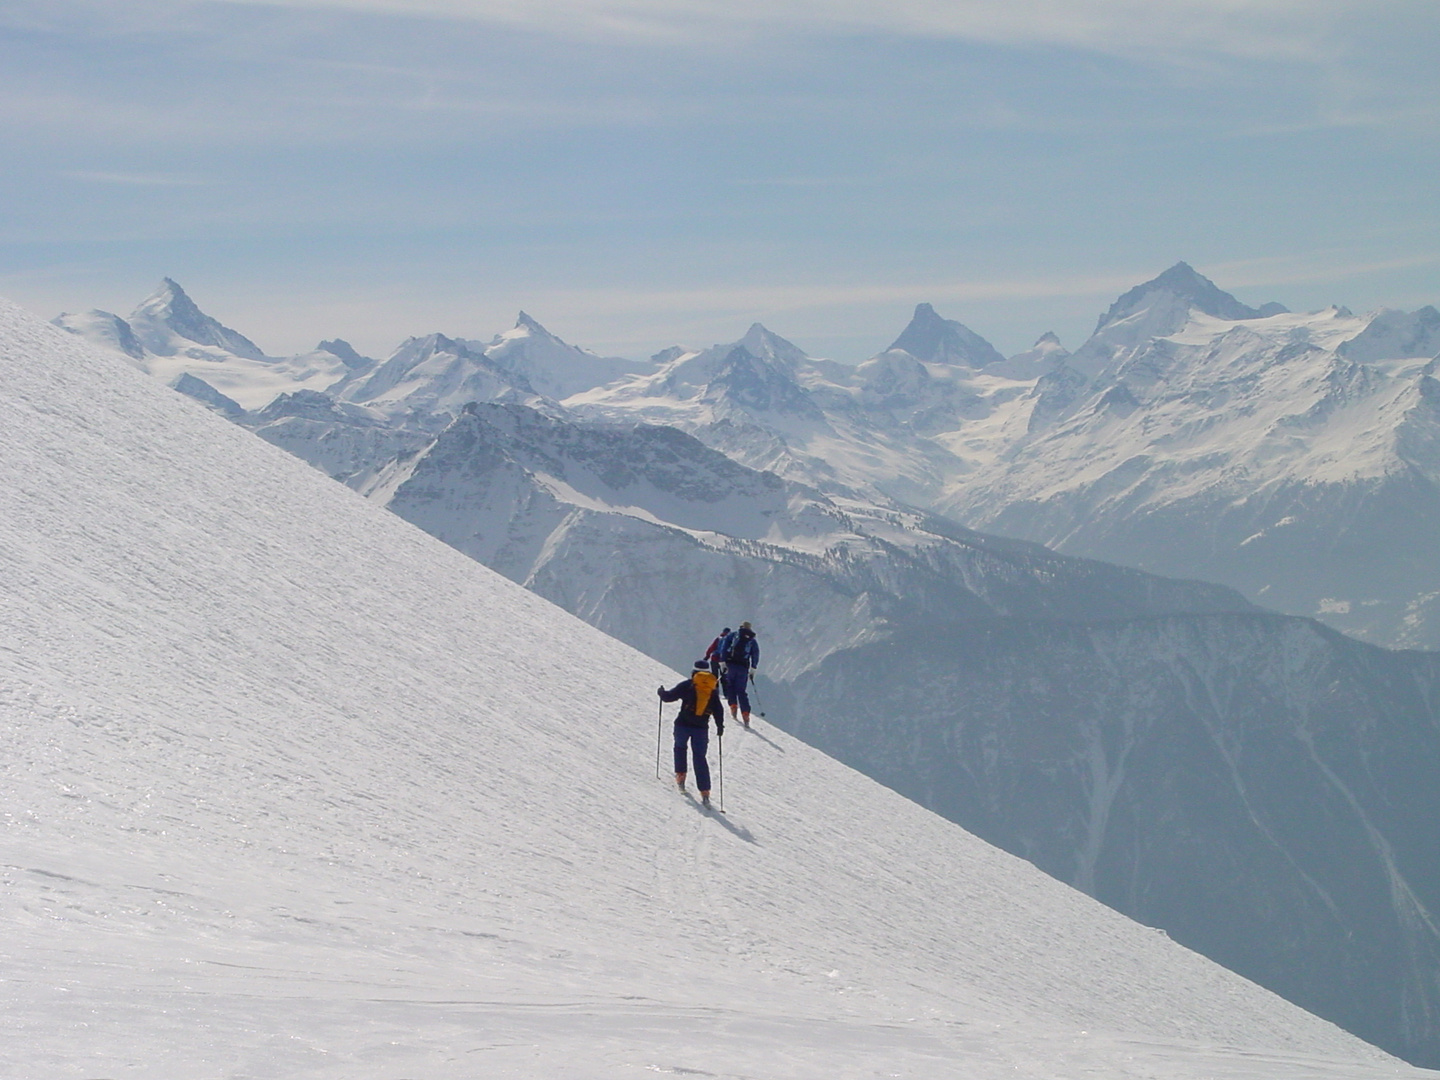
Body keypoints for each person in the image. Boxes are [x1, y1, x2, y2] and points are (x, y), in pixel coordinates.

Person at [658, 660, 725, 806]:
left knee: (680, 748)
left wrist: (661, 693)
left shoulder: (688, 685)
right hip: (701, 728)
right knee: (700, 758)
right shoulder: (712, 689)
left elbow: (669, 697)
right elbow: (718, 709)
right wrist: (720, 726)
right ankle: (705, 791)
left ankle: (681, 776)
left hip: (682, 724)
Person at [717, 621, 759, 728]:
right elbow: (755, 654)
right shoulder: (752, 640)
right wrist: (753, 668)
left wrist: (722, 661)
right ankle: (745, 713)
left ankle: (733, 706)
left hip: (731, 665)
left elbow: (724, 647)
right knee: (741, 690)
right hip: (743, 667)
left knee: (730, 686)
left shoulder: (733, 635)